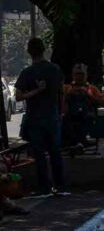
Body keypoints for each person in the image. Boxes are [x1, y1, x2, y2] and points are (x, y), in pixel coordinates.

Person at [14, 38, 65, 195]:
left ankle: (45, 187)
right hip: (52, 116)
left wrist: (35, 91)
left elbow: (18, 97)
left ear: (29, 52)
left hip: (35, 119)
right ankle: (60, 185)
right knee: (55, 152)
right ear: (44, 50)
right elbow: (61, 93)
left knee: (39, 154)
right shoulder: (55, 70)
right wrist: (61, 113)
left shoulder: (27, 73)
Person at [62, 63, 104, 148]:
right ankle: (75, 142)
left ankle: (80, 141)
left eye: (81, 74)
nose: (79, 77)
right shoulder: (67, 88)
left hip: (86, 115)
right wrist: (69, 94)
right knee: (66, 119)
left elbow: (103, 103)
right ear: (73, 75)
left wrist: (89, 95)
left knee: (85, 117)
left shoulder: (92, 88)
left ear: (86, 75)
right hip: (70, 116)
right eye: (77, 74)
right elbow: (59, 101)